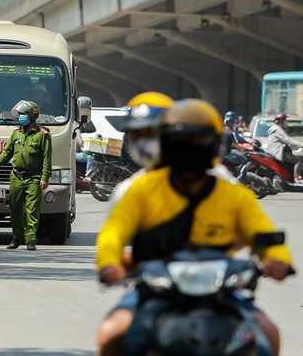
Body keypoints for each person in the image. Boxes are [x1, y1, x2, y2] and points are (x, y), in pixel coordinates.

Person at [95, 99, 295, 356]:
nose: (187, 150)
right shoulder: (140, 191)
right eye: (178, 143)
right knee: (111, 332)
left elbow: (263, 234)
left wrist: (277, 260)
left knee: (268, 332)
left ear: (212, 145)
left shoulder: (233, 194)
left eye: (196, 142)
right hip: (157, 292)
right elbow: (113, 234)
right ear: (166, 145)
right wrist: (109, 264)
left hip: (220, 293)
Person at [0, 100, 52, 251]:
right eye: (20, 114)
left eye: (24, 114)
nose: (21, 117)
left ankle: (31, 240)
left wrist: (44, 178)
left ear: (32, 116)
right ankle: (17, 237)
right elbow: (7, 152)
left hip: (34, 177)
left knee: (32, 210)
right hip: (16, 176)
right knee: (15, 208)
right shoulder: (16, 133)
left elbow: (47, 158)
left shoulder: (43, 136)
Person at [262, 113, 303, 183]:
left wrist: (296, 146)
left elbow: (288, 144)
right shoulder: (278, 130)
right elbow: (289, 141)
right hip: (277, 153)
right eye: (285, 121)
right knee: (298, 160)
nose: (286, 123)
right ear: (281, 121)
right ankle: (296, 179)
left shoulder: (275, 129)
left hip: (273, 152)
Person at [222, 110, 255, 174]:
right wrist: (249, 148)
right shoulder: (230, 132)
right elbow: (237, 145)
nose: (235, 124)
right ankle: (240, 178)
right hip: (227, 156)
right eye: (234, 122)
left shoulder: (222, 130)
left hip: (221, 155)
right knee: (244, 160)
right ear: (231, 123)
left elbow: (231, 144)